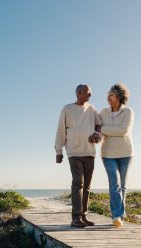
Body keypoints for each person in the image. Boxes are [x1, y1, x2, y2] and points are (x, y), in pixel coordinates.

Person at [55, 84, 101, 228]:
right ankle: (75, 217)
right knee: (78, 183)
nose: (90, 95)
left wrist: (97, 134)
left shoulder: (92, 109)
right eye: (88, 92)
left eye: (90, 93)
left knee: (86, 186)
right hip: (74, 152)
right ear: (79, 93)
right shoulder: (67, 109)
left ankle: (83, 216)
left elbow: (99, 125)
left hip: (89, 152)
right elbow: (61, 130)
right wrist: (58, 151)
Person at [97, 83, 134, 227]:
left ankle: (121, 214)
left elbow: (123, 131)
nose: (108, 97)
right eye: (108, 94)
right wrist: (99, 133)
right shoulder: (102, 113)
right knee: (115, 184)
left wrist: (104, 129)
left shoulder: (128, 112)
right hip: (107, 153)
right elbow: (98, 131)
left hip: (126, 153)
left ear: (119, 96)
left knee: (122, 186)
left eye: (111, 95)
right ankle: (117, 216)